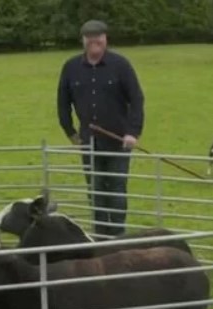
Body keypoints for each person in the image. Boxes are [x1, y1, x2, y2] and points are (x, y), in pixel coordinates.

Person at [57, 19, 145, 237]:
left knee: (116, 191)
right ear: (83, 41)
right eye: (90, 38)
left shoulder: (120, 65)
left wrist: (133, 132)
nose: (94, 42)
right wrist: (71, 133)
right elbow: (62, 102)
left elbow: (136, 99)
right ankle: (100, 237)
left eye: (99, 38)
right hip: (89, 142)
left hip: (118, 141)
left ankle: (117, 237)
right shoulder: (71, 68)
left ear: (105, 40)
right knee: (96, 192)